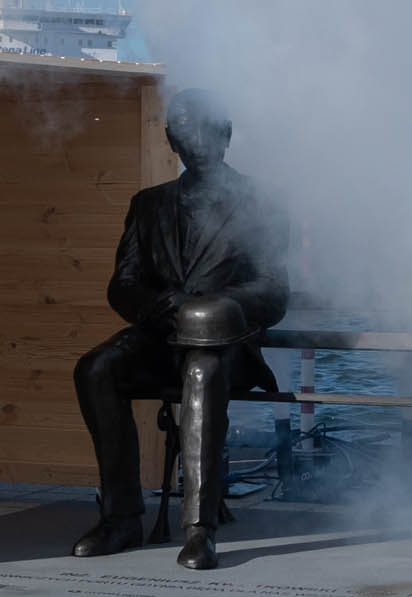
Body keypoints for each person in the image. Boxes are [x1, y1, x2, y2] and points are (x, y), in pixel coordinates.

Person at [69, 92, 289, 570]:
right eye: (185, 131)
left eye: (208, 129)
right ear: (171, 139)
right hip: (161, 335)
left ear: (227, 134)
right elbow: (122, 286)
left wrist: (220, 307)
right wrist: (161, 305)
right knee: (95, 369)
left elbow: (274, 292)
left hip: (226, 347)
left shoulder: (263, 205)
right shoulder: (148, 206)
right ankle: (122, 517)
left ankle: (199, 528)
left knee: (201, 372)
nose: (197, 140)